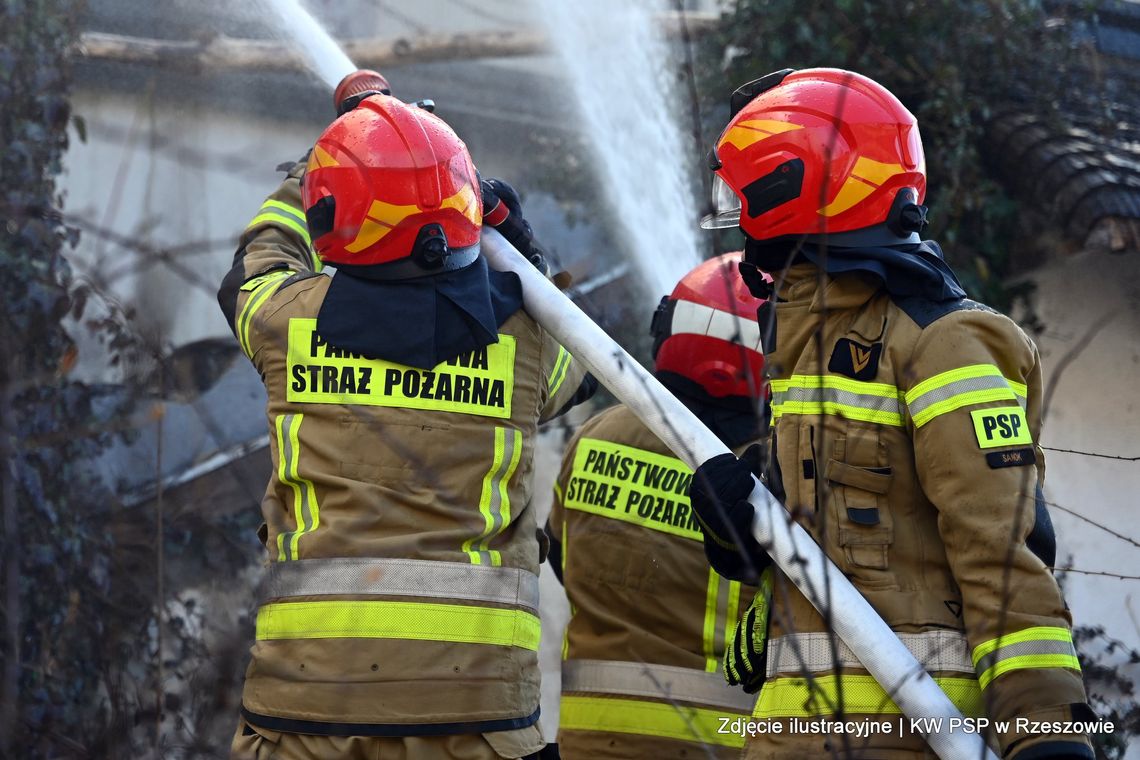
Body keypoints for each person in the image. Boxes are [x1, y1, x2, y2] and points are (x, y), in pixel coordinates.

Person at [688, 68, 1094, 759]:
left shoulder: (946, 342)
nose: (740, 217)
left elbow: (999, 550)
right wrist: (747, 542)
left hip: (912, 737)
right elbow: (841, 550)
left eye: (746, 192)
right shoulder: (808, 350)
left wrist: (1047, 729)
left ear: (795, 186)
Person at [217, 93, 593, 760]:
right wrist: (523, 249)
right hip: (476, 716)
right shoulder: (528, 344)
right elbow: (584, 364)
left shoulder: (287, 322)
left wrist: (315, 169)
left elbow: (257, 263)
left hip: (305, 709)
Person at [547, 253, 773, 759]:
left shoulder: (595, 435)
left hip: (587, 737)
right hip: (721, 742)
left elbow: (564, 563)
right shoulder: (763, 479)